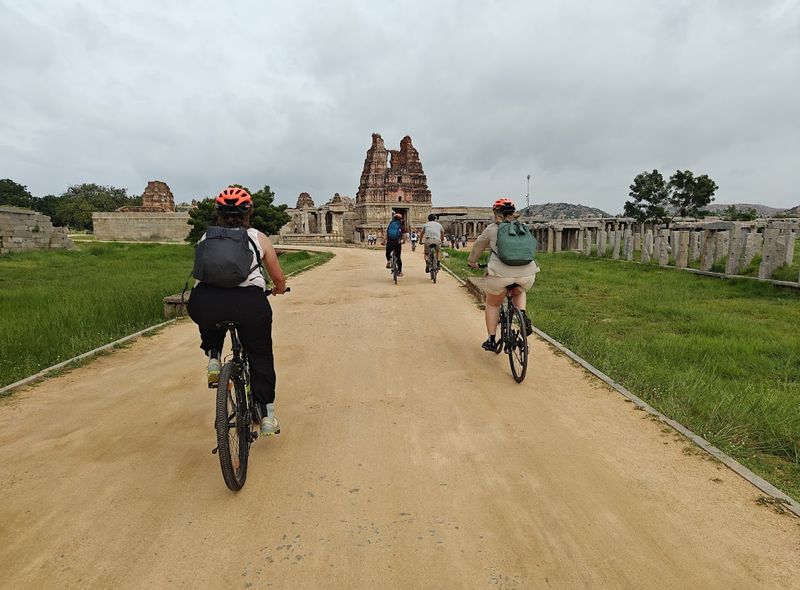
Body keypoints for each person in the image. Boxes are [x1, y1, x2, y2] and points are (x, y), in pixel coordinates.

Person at [187, 187, 288, 436]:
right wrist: (279, 288)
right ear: (248, 213)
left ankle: (213, 356)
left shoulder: (205, 238)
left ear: (218, 214)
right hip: (249, 304)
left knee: (210, 313)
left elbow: (202, 273)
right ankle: (267, 415)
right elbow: (277, 276)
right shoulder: (257, 237)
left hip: (205, 302)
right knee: (260, 354)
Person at [467, 198, 539, 352]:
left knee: (492, 304)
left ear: (496, 214)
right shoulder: (523, 227)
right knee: (519, 291)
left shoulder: (492, 228)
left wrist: (472, 262)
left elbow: (478, 247)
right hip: (528, 274)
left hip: (500, 275)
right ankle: (523, 316)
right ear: (513, 213)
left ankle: (492, 340)